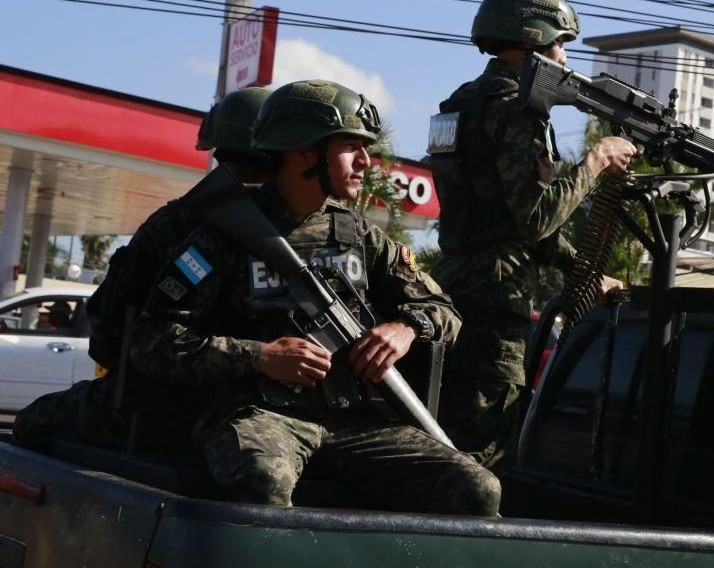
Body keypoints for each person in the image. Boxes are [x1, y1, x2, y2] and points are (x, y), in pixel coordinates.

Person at [128, 79, 500, 515]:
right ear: (303, 151)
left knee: (477, 487)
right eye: (349, 146)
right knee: (265, 481)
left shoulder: (360, 236)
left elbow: (444, 312)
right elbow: (151, 341)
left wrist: (404, 329)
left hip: (349, 421)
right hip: (259, 415)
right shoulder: (222, 236)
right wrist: (260, 355)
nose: (365, 160)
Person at [429, 0, 637, 470]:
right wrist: (596, 161)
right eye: (559, 45)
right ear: (532, 42)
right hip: (496, 304)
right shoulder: (516, 110)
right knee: (486, 451)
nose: (565, 59)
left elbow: (509, 223)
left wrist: (586, 273)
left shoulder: (462, 102)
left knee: (447, 436)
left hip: (456, 286)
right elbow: (538, 216)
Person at [13, 87, 274, 454]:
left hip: (159, 410)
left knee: (30, 423)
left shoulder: (176, 223)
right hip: (264, 419)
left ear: (218, 151)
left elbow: (108, 328)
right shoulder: (305, 228)